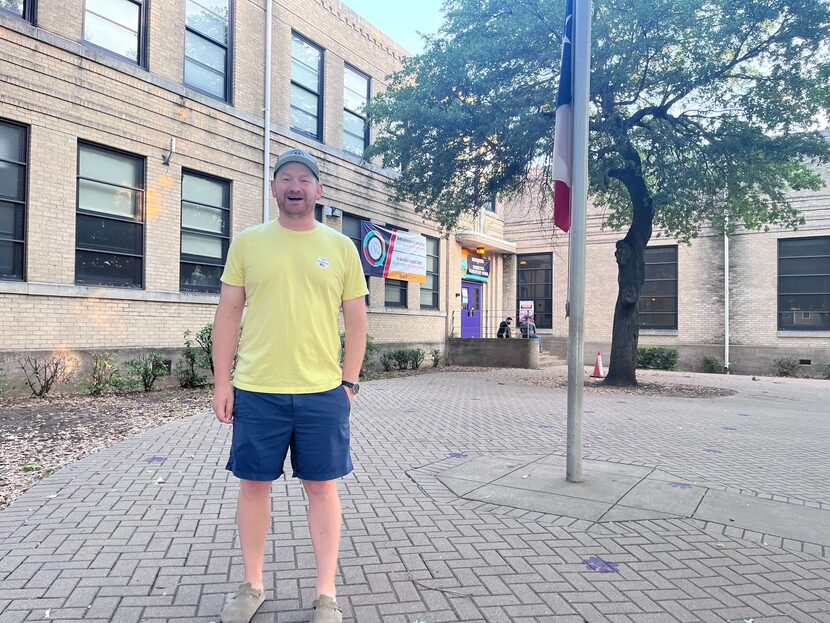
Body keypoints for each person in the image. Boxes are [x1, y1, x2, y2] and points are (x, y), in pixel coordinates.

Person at [212, 148, 368, 623]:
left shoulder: (340, 247)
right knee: (253, 486)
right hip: (257, 389)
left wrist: (349, 384)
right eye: (286, 178)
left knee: (322, 489)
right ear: (273, 188)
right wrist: (223, 382)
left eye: (305, 179)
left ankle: (326, 594)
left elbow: (357, 322)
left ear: (319, 191)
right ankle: (252, 585)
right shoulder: (248, 243)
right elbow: (228, 315)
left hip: (323, 392)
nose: (295, 186)